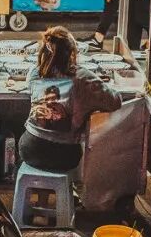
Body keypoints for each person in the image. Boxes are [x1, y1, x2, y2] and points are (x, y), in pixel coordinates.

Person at [20, 26, 122, 173]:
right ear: (72, 53)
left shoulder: (35, 73)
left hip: (30, 149)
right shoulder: (84, 78)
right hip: (65, 155)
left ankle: (42, 191)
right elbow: (115, 101)